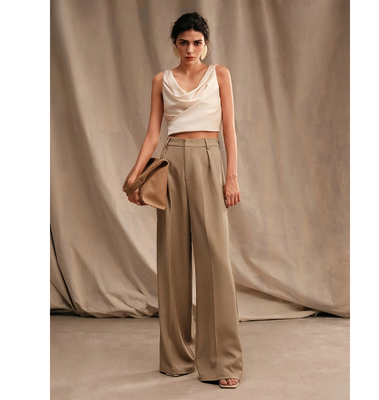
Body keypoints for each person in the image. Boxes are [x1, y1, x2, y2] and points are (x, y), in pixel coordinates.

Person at [126, 12, 243, 389]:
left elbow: (229, 130)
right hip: (172, 160)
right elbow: (153, 134)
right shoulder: (161, 80)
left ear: (205, 44)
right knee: (173, 260)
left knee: (215, 261)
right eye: (183, 42)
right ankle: (177, 358)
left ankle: (223, 360)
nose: (190, 49)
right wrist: (135, 175)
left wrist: (231, 176)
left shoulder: (220, 74)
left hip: (209, 158)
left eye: (197, 42)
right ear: (174, 44)